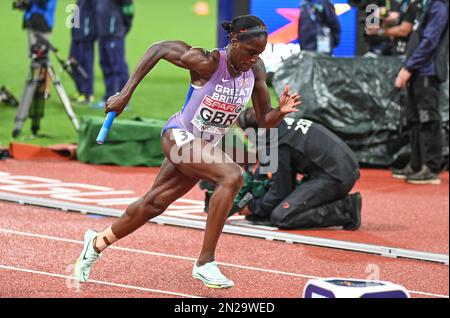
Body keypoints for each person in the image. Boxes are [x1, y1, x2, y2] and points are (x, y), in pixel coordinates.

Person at [74, 15, 301, 288]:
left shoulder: (256, 70)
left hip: (203, 147)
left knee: (154, 204)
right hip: (179, 135)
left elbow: (265, 119)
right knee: (232, 176)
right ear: (234, 40)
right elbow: (158, 48)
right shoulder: (207, 62)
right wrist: (125, 93)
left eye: (259, 54)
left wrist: (281, 111)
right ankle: (205, 263)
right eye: (251, 52)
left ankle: (96, 243)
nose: (254, 59)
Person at [237, 108, 361, 230]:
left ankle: (345, 209)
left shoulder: (276, 146)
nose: (245, 136)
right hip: (341, 168)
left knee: (281, 216)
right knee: (281, 198)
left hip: (336, 176)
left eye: (245, 132)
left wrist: (253, 206)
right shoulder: (281, 125)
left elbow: (280, 192)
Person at [392, 0, 448, 184]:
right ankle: (416, 164)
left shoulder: (439, 7)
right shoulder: (423, 6)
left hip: (427, 71)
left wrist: (408, 68)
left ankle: (431, 168)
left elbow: (430, 41)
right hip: (417, 71)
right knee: (414, 119)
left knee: (428, 119)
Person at [92, 0, 134, 109]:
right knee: (106, 66)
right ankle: (109, 97)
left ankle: (124, 101)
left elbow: (129, 9)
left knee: (118, 67)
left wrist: (124, 27)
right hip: (103, 33)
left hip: (114, 33)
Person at [69, 0, 96, 104]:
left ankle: (87, 94)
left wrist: (90, 32)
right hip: (76, 35)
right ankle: (80, 90)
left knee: (85, 66)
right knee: (73, 63)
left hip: (86, 36)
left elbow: (96, 14)